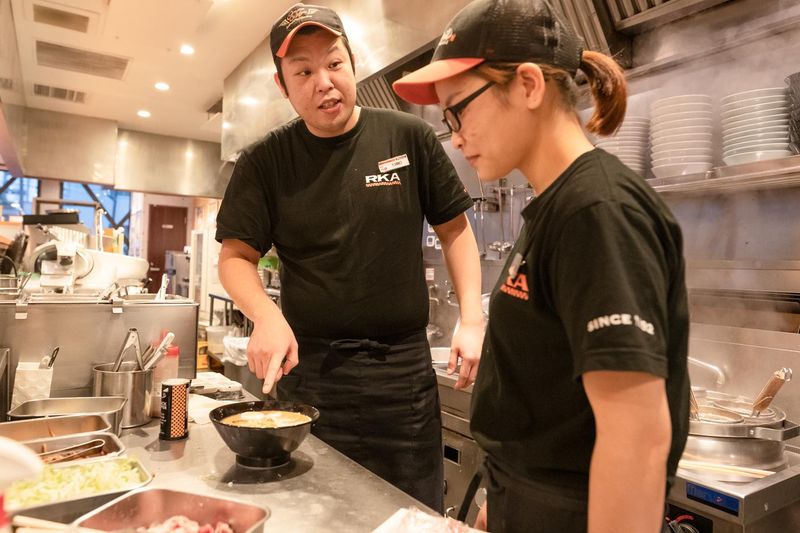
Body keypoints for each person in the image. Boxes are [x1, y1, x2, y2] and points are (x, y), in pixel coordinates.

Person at [393, 0, 690, 531]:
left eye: (458, 109)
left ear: (528, 85)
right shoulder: (551, 208)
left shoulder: (597, 210)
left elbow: (637, 439)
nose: (455, 136)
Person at [215, 3, 484, 512]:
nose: (324, 82)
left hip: (403, 375)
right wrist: (266, 317)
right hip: (312, 374)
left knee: (411, 514)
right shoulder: (265, 161)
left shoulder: (409, 137)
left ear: (352, 64)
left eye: (334, 64)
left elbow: (455, 230)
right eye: (304, 71)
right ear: (284, 85)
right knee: (315, 512)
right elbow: (235, 256)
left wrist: (472, 317)